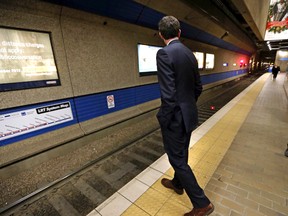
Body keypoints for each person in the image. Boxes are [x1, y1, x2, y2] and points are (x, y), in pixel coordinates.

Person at [156, 16, 214, 216]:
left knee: (177, 159)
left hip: (175, 118)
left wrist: (164, 117)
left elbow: (168, 95)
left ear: (161, 35)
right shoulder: (190, 54)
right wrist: (188, 106)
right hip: (188, 115)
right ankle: (177, 183)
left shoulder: (164, 54)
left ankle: (201, 203)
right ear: (179, 33)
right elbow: (198, 87)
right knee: (182, 153)